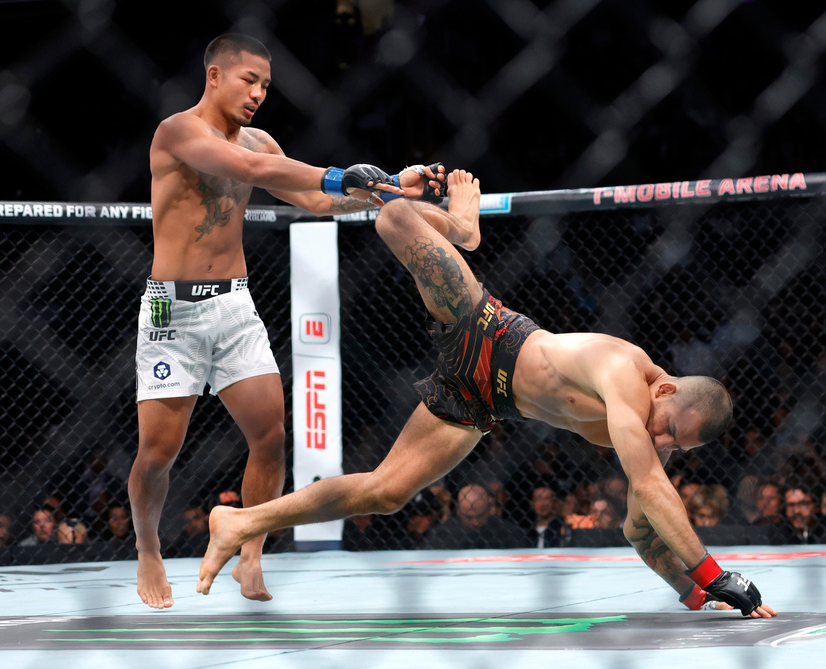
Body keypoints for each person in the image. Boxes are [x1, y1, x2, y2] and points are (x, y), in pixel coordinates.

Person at [197, 170, 775, 618]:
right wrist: (719, 575)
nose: (662, 440)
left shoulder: (654, 432)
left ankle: (241, 522)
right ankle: (463, 227)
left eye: (676, 444)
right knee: (393, 218)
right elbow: (648, 485)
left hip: (484, 401)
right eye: (669, 428)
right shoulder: (625, 372)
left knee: (387, 491)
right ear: (666, 388)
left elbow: (641, 531)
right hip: (486, 330)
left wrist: (699, 595)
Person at [131, 33, 444, 609]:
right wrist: (339, 174)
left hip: (234, 304)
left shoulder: (262, 140)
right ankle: (148, 548)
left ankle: (249, 552)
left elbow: (320, 202)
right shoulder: (176, 132)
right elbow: (248, 167)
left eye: (266, 86)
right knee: (158, 451)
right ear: (215, 75)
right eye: (249, 80)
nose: (258, 94)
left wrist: (390, 188)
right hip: (172, 309)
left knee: (271, 436)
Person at [418, 484, 528, 550]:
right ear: (458, 510)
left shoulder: (510, 534)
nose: (475, 522)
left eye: (480, 516)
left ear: (489, 509)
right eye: (468, 517)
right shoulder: (441, 536)